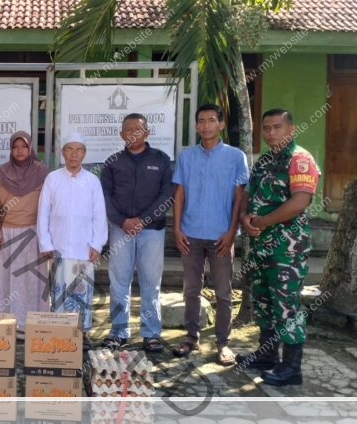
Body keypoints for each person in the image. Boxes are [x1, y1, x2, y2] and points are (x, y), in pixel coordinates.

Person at [236, 108, 320, 386]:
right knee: (264, 300)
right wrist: (245, 218)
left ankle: (292, 368)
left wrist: (262, 221)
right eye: (267, 128)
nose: (271, 132)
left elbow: (300, 202)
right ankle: (267, 355)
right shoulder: (264, 161)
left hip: (287, 248)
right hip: (260, 244)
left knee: (286, 304)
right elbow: (249, 194)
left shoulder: (300, 159)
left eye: (277, 127)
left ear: (291, 129)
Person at [171, 104, 249, 365]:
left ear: (221, 124)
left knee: (224, 292)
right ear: (196, 125)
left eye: (212, 120)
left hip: (221, 236)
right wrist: (177, 229)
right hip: (190, 234)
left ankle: (223, 343)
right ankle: (191, 337)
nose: (206, 126)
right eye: (201, 121)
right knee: (191, 289)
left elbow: (239, 197)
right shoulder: (186, 156)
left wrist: (232, 232)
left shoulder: (236, 157)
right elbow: (179, 193)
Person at [100, 113, 174, 351]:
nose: (134, 133)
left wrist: (143, 220)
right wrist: (122, 221)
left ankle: (151, 333)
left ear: (148, 132)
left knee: (150, 283)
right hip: (120, 230)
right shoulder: (112, 162)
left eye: (138, 129)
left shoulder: (161, 160)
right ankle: (118, 332)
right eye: (129, 129)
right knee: (119, 282)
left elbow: (167, 195)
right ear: (121, 134)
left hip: (152, 230)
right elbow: (104, 197)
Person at [37, 133, 107, 351]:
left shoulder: (92, 181)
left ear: (84, 153)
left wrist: (97, 244)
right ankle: (59, 334)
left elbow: (99, 214)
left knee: (81, 293)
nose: (74, 154)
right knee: (59, 292)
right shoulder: (52, 178)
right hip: (58, 247)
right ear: (62, 153)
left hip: (84, 248)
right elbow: (43, 212)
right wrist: (45, 243)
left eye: (78, 150)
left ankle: (81, 334)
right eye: (69, 149)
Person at [0, 131, 50, 333]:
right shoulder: (0, 173)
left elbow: (49, 205)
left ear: (30, 148)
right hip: (6, 235)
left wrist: (48, 236)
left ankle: (35, 322)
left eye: (24, 146)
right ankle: (10, 323)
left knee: (35, 280)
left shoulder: (42, 173)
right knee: (8, 280)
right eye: (15, 147)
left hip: (34, 234)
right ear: (10, 149)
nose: (20, 151)